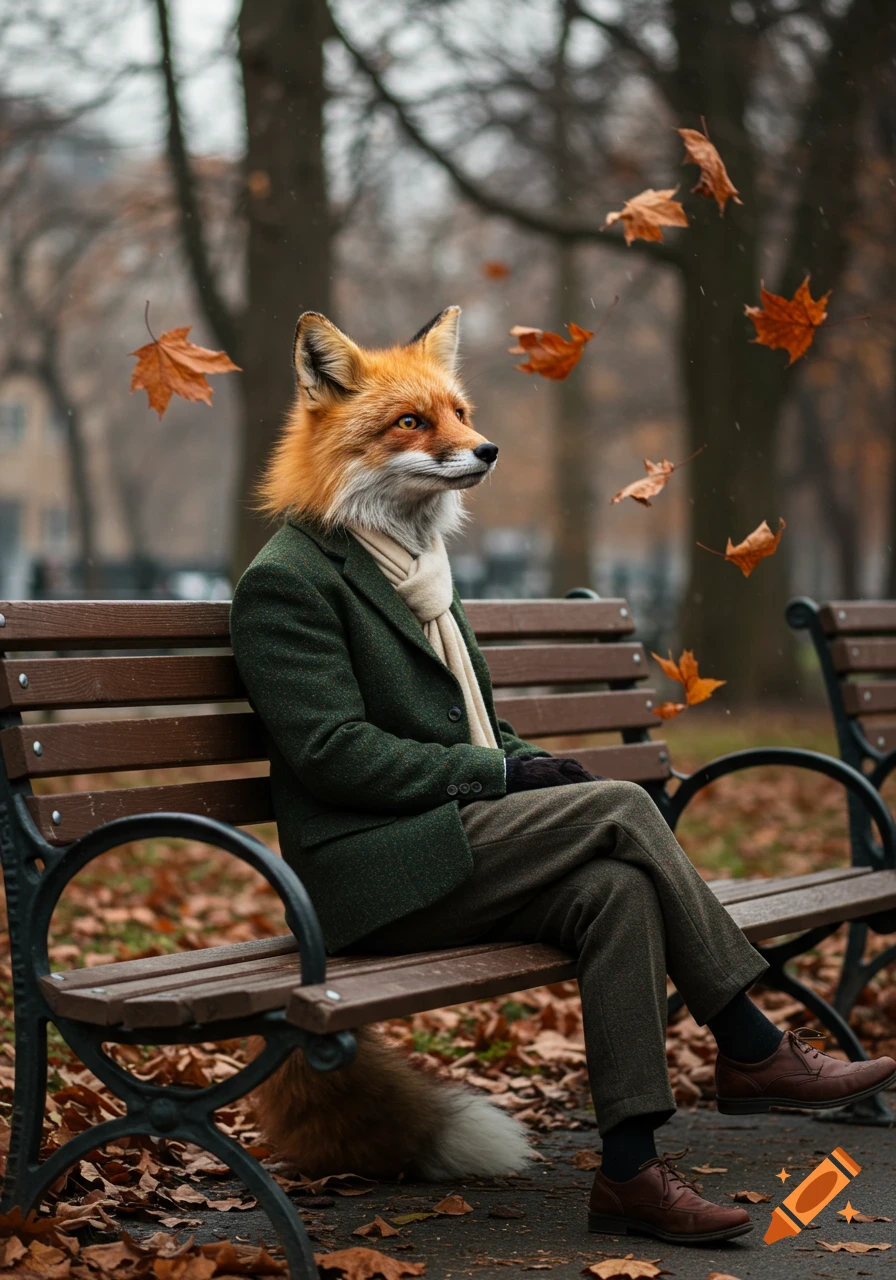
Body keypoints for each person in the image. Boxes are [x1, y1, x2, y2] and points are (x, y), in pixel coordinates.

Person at [230, 307, 896, 1245]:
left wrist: (511, 762)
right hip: (368, 876)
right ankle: (750, 1043)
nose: (464, 442)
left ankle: (630, 1170)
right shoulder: (290, 581)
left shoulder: (417, 570)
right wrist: (503, 774)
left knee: (614, 887)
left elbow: (474, 724)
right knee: (621, 808)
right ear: (333, 416)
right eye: (414, 424)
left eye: (456, 414)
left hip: (442, 845)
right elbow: (334, 755)